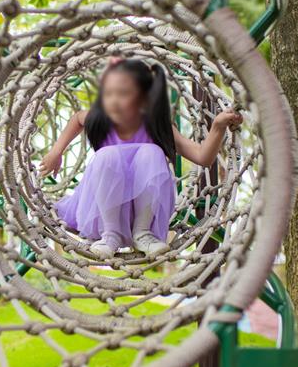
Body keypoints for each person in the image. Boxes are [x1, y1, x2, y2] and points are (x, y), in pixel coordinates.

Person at [39, 58, 243, 258]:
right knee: (108, 155)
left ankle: (143, 233)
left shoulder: (156, 125)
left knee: (151, 152)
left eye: (123, 93)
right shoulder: (101, 118)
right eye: (108, 93)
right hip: (100, 214)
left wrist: (218, 126)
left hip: (144, 213)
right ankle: (111, 234)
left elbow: (202, 157)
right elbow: (77, 119)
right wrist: (56, 151)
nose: (113, 100)